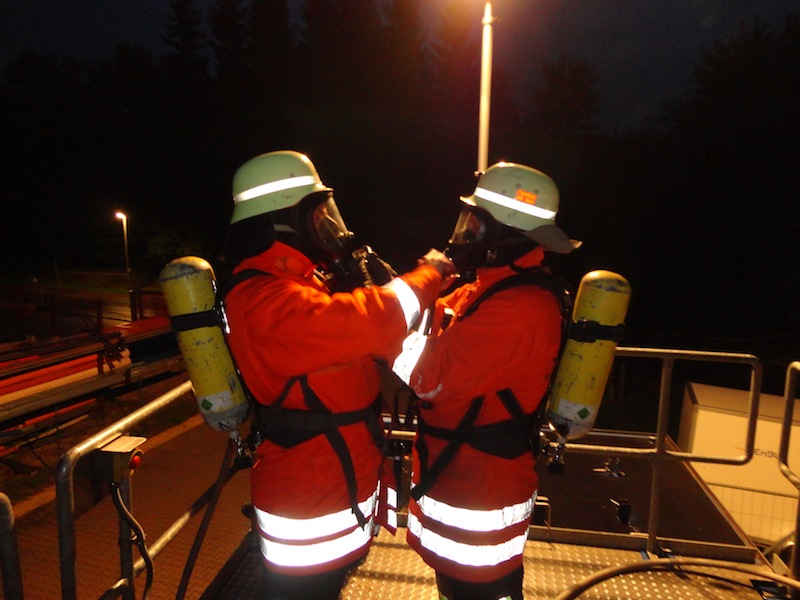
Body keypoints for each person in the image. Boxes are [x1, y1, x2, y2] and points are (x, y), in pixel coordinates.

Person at [217, 150, 454, 599]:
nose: (329, 225)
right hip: (308, 505)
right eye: (319, 215)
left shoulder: (298, 284)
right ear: (285, 220)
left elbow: (372, 335)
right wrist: (428, 276)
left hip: (329, 486)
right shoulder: (263, 296)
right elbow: (371, 322)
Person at [392, 161, 580, 600]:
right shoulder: (488, 289)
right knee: (455, 588)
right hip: (459, 480)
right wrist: (394, 288)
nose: (464, 235)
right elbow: (436, 319)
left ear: (504, 236)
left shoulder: (522, 306)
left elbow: (428, 375)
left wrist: (380, 325)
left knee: (481, 589)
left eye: (475, 226)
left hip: (482, 493)